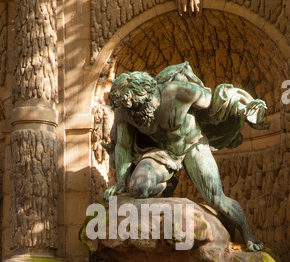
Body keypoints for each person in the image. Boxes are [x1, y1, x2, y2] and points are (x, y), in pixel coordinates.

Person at [103, 63, 268, 251]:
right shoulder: (125, 111)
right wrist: (121, 185)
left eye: (133, 106)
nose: (130, 112)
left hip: (192, 145)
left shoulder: (178, 92)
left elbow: (212, 107)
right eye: (126, 108)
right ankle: (164, 185)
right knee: (138, 188)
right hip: (161, 153)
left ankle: (248, 232)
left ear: (145, 96)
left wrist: (239, 107)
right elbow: (123, 146)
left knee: (216, 199)